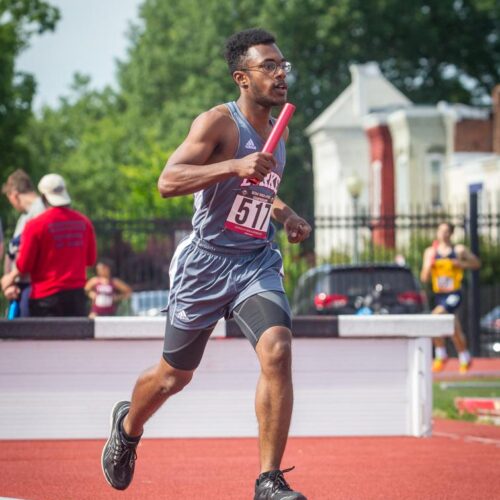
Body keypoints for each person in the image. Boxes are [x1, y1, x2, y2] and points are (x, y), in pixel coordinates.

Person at [101, 28, 311, 499]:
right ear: (242, 77)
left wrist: (287, 213)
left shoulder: (282, 128)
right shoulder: (218, 123)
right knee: (174, 376)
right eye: (269, 67)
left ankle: (268, 481)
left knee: (277, 348)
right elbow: (168, 180)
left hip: (256, 261)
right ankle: (128, 426)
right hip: (206, 264)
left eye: (283, 66)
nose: (281, 75)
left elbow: (262, 188)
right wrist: (231, 166)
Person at [0, 173, 97, 317]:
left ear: (44, 197)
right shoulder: (84, 223)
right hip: (76, 297)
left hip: (45, 298)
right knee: (76, 339)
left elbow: (25, 264)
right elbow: (90, 260)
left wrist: (10, 277)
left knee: (46, 339)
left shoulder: (35, 225)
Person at [420, 222, 481, 374]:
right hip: (439, 294)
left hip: (454, 293)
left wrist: (460, 264)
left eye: (446, 231)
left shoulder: (458, 250)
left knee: (434, 317)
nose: (443, 234)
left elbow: (476, 263)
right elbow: (424, 278)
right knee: (454, 328)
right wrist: (429, 266)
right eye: (440, 230)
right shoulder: (430, 252)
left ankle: (441, 354)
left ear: (451, 233)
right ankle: (464, 356)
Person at [1, 169, 46, 317]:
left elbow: (31, 254)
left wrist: (11, 277)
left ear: (14, 195)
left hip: (32, 287)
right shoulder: (25, 217)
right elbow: (13, 251)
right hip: (18, 286)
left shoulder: (40, 212)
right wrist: (10, 283)